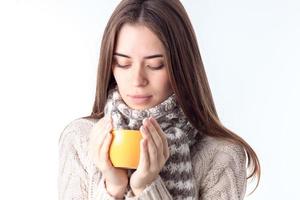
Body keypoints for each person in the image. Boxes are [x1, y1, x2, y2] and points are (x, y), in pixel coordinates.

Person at [58, 0, 260, 199]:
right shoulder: (80, 139)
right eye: (123, 63)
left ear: (181, 67)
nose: (137, 80)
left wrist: (147, 187)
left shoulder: (221, 155)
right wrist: (113, 187)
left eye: (155, 65)